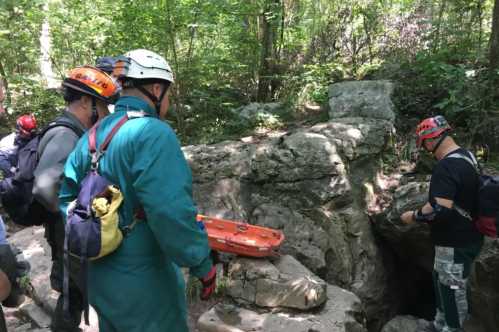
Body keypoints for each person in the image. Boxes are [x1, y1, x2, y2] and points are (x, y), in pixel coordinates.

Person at [59, 49, 216, 332]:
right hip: (145, 280)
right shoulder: (153, 133)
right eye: (168, 92)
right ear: (156, 88)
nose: (168, 100)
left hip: (99, 273)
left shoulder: (91, 137)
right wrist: (202, 264)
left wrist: (100, 232)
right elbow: (171, 212)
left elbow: (66, 202)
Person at [33, 66, 119, 332]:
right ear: (85, 101)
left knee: (75, 297)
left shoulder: (73, 132)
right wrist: (76, 214)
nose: (105, 113)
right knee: (74, 297)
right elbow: (45, 186)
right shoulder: (65, 135)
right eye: (103, 106)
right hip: (69, 234)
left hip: (68, 233)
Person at [401, 115, 483, 332]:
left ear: (430, 140)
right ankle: (439, 324)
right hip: (464, 237)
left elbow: (439, 211)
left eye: (425, 144)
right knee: (442, 282)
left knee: (452, 290)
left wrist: (413, 216)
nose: (428, 150)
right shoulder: (467, 157)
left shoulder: (446, 167)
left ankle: (452, 328)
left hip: (456, 242)